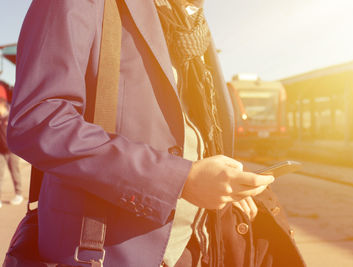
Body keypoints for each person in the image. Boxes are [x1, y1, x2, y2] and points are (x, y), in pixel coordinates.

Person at [8, 0, 275, 266]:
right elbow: (39, 120)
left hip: (194, 249)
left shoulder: (191, 25)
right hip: (107, 254)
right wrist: (180, 180)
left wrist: (226, 186)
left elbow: (191, 130)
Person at [0, 97, 23, 208]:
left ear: (2, 105)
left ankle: (19, 194)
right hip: (1, 152)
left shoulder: (11, 116)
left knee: (15, 172)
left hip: (12, 151)